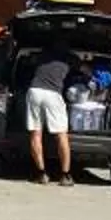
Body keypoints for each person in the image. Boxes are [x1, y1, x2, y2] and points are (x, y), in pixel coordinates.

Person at [24, 46, 74, 184]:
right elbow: (87, 71)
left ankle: (42, 174)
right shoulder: (71, 58)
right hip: (53, 94)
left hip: (34, 91)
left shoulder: (42, 54)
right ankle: (65, 175)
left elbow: (28, 63)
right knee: (61, 134)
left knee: (36, 133)